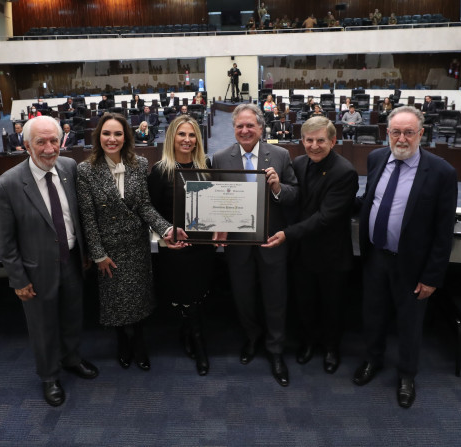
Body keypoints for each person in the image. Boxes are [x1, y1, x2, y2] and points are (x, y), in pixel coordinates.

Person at [352, 106, 458, 408]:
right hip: (375, 257)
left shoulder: (441, 172)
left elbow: (443, 231)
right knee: (372, 315)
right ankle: (373, 360)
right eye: (395, 132)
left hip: (413, 265)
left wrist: (432, 277)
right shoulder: (376, 159)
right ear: (387, 133)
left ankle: (407, 375)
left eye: (409, 132)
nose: (402, 138)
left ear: (421, 134)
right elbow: (368, 200)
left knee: (410, 323)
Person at [0, 116, 99, 407]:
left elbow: (76, 216)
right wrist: (18, 280)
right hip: (35, 272)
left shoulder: (68, 167)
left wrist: (86, 252)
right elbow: (5, 240)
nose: (50, 148)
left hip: (73, 263)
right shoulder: (7, 185)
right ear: (26, 145)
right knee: (43, 327)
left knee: (72, 317)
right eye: (41, 142)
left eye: (54, 140)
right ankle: (49, 376)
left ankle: (72, 359)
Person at [76, 113, 186, 372]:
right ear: (98, 136)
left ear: (126, 137)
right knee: (115, 303)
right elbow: (88, 217)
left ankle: (139, 343)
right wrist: (98, 254)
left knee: (138, 300)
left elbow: (145, 207)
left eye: (117, 134)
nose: (112, 139)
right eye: (106, 133)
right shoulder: (86, 170)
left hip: (136, 245)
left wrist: (167, 229)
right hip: (108, 249)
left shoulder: (139, 163)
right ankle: (121, 344)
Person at [212, 104, 298, 387]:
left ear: (261, 128)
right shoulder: (221, 157)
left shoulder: (282, 155)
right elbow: (217, 199)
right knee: (243, 296)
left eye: (251, 126)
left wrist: (277, 188)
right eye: (240, 126)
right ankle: (252, 338)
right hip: (237, 244)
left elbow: (294, 195)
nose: (245, 131)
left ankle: (275, 350)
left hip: (271, 240)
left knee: (276, 298)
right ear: (233, 129)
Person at [263, 117, 358, 374]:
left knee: (331, 306)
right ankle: (307, 343)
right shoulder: (299, 163)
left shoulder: (345, 171)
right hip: (301, 252)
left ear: (333, 141)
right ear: (302, 141)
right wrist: (275, 188)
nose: (314, 146)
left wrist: (287, 233)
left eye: (320, 140)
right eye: (309, 140)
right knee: (304, 303)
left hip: (331, 254)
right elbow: (293, 198)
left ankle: (330, 349)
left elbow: (326, 218)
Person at [147, 115, 216, 376]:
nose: (187, 140)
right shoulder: (160, 170)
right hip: (175, 248)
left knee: (197, 295)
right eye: (181, 134)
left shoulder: (206, 165)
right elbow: (150, 210)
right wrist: (165, 234)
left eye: (191, 135)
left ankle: (187, 333)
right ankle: (199, 346)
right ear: (172, 138)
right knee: (185, 296)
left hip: (202, 246)